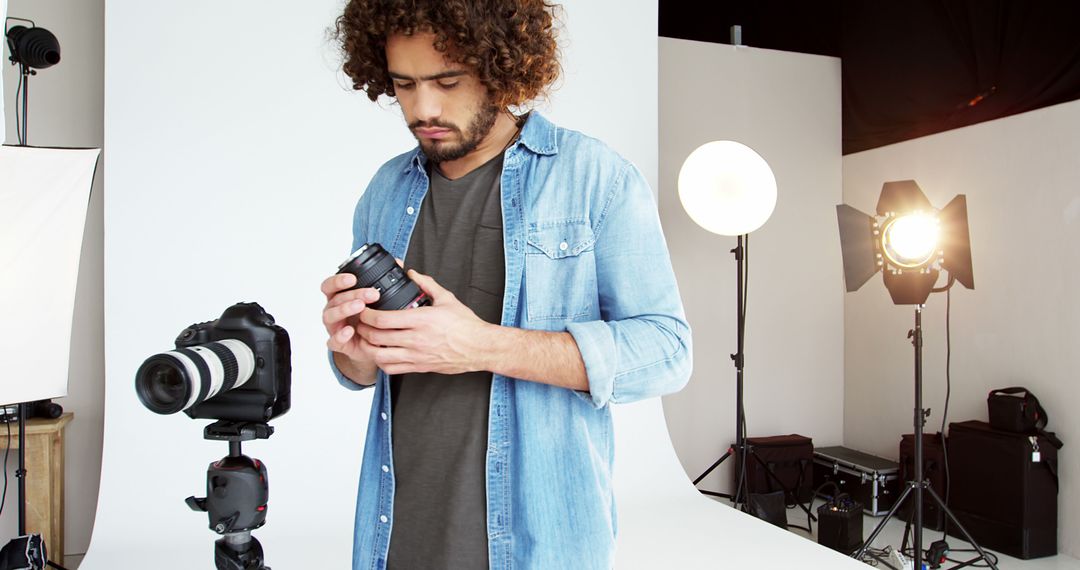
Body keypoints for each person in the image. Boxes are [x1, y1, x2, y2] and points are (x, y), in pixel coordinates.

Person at [321, 1, 692, 568]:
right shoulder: (386, 190)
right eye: (404, 85)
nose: (424, 108)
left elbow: (667, 351)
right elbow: (364, 373)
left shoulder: (594, 176)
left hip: (536, 545)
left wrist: (481, 345)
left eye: (448, 81)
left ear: (501, 66)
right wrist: (355, 352)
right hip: (396, 534)